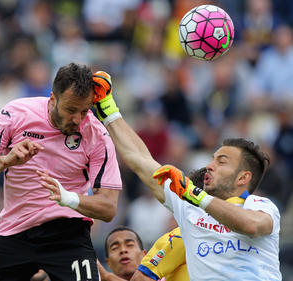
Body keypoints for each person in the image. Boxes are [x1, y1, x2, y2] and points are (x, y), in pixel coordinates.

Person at [92, 72, 282, 280]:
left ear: (242, 178)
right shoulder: (189, 207)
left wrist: (195, 195)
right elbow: (139, 158)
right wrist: (108, 107)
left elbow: (251, 225)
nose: (210, 166)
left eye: (222, 161)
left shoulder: (259, 206)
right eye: (212, 159)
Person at [0, 63, 122, 280]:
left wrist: (69, 198)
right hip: (15, 232)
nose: (77, 119)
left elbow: (109, 207)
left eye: (84, 110)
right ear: (52, 98)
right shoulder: (16, 114)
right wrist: (6, 161)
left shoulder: (97, 135)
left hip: (68, 235)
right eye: (71, 109)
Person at [98, 168, 206, 281]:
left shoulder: (216, 236)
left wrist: (107, 276)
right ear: (108, 263)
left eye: (130, 245)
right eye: (115, 248)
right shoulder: (180, 239)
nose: (123, 251)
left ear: (143, 255)